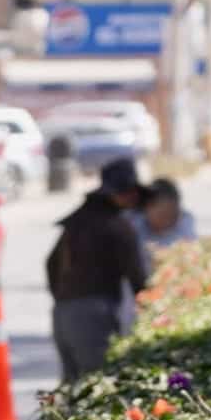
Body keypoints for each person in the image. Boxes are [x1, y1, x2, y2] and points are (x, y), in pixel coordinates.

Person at [46, 157, 149, 384]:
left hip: (63, 313)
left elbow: (51, 264)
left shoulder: (79, 221)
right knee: (97, 384)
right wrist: (149, 308)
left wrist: (64, 300)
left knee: (72, 387)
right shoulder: (118, 227)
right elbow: (137, 277)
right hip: (92, 313)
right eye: (126, 191)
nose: (131, 196)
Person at [120, 178, 198, 331]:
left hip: (174, 295)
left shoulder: (185, 222)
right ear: (147, 208)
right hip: (135, 295)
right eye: (162, 214)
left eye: (173, 214)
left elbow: (189, 255)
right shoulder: (132, 224)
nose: (168, 220)